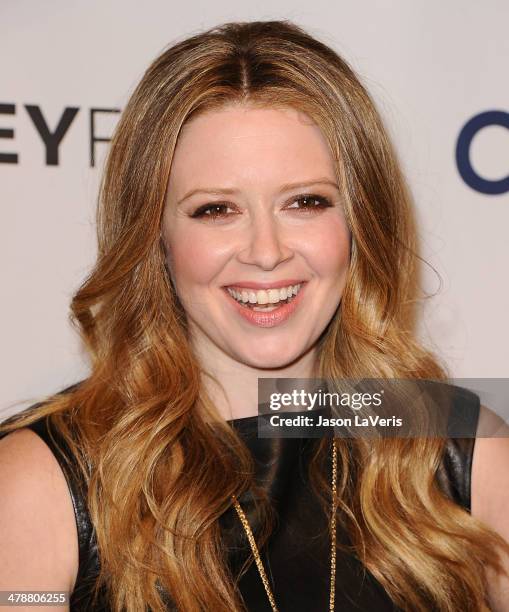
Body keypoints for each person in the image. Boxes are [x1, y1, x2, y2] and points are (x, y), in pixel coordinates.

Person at [1, 19, 508, 612]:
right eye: (216, 209)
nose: (266, 251)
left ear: (360, 221)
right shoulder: (39, 483)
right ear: (153, 236)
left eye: (306, 202)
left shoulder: (457, 450)